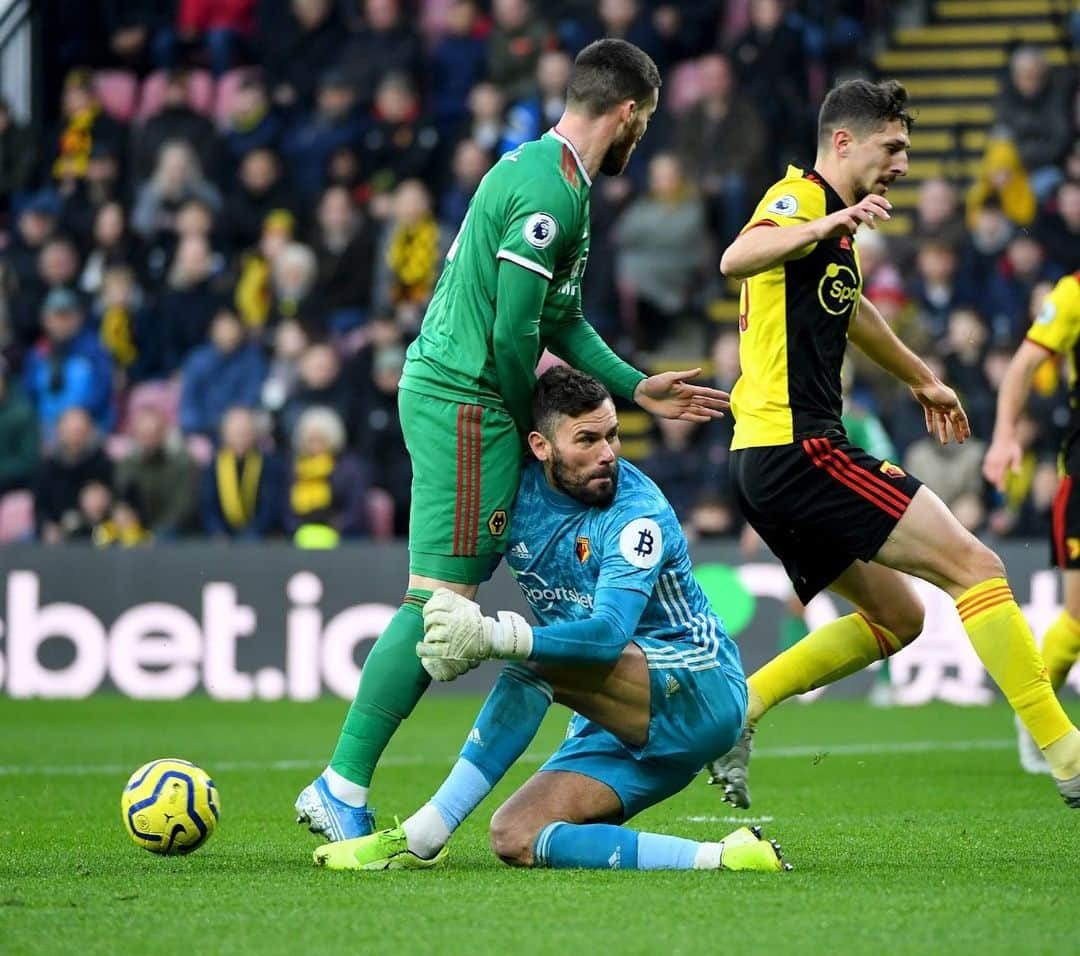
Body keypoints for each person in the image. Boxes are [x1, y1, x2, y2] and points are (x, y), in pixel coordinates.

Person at [293, 38, 729, 844]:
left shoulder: (560, 182)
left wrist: (637, 387)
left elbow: (560, 321)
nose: (645, 139)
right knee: (440, 599)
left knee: (446, 596)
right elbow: (512, 334)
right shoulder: (545, 193)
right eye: (648, 122)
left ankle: (348, 784)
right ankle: (341, 783)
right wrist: (541, 423)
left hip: (471, 395)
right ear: (629, 112)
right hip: (469, 399)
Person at [709, 78, 1080, 810]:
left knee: (901, 618)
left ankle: (737, 712)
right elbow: (736, 258)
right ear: (844, 142)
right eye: (894, 146)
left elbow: (852, 311)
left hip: (764, 461)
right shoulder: (802, 201)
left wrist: (921, 377)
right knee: (976, 566)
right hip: (799, 449)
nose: (903, 163)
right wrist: (825, 221)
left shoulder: (831, 232)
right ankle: (1066, 752)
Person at [313, 367, 787, 873]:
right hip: (615, 720)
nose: (608, 452)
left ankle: (424, 835)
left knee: (533, 660)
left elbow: (607, 636)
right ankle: (728, 856)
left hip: (701, 690)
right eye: (587, 439)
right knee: (515, 835)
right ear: (540, 446)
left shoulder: (636, 515)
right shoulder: (512, 492)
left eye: (613, 435)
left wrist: (493, 635)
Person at [984, 269, 1080, 774]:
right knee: (1079, 618)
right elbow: (1022, 367)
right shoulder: (1072, 294)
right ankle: (1036, 714)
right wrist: (1005, 436)